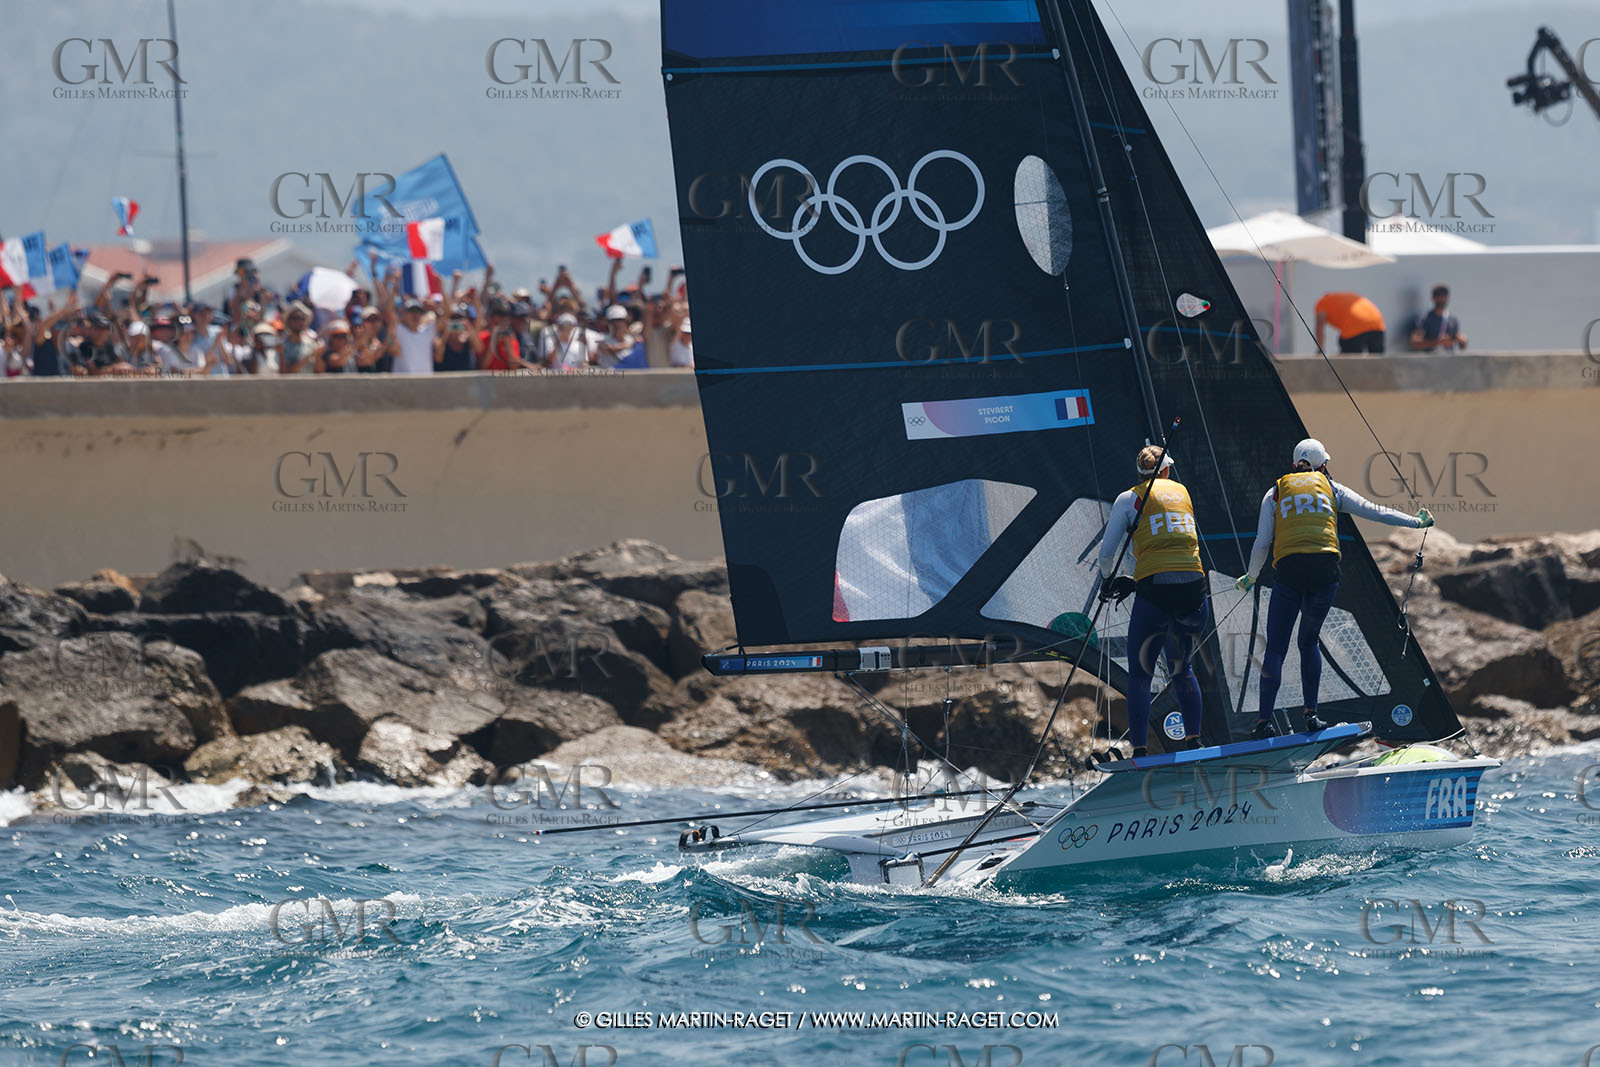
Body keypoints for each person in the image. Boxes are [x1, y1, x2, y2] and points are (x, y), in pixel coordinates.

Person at [1235, 438, 1434, 738]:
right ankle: (1311, 716)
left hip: (1289, 574)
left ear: (1294, 465)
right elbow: (1373, 510)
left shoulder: (1275, 492)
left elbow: (1262, 542)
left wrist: (1250, 576)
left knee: (1276, 647)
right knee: (1309, 641)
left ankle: (1263, 723)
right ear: (1323, 465)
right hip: (1324, 573)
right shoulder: (1332, 489)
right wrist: (1415, 522)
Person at [1097, 446, 1209, 758]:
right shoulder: (1183, 492)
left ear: (1139, 474)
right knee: (1182, 667)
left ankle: (1141, 751)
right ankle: (1194, 741)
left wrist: (1109, 579)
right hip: (1194, 589)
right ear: (1166, 471)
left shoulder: (1129, 498)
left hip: (1156, 589)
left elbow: (1106, 554)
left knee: (1140, 673)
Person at [1313, 292, 1385, 354]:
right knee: (1377, 360)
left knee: (1349, 360)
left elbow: (1319, 326)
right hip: (1377, 323)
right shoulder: (1345, 297)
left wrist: (1320, 350)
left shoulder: (1322, 302)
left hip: (1355, 324)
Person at [1409, 284, 1467, 352]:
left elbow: (1462, 347)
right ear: (1433, 298)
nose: (1442, 298)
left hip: (1449, 360)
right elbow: (1415, 343)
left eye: (1444, 295)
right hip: (1430, 360)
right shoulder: (1424, 319)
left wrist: (1462, 341)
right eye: (1439, 295)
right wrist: (1438, 342)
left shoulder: (1452, 320)